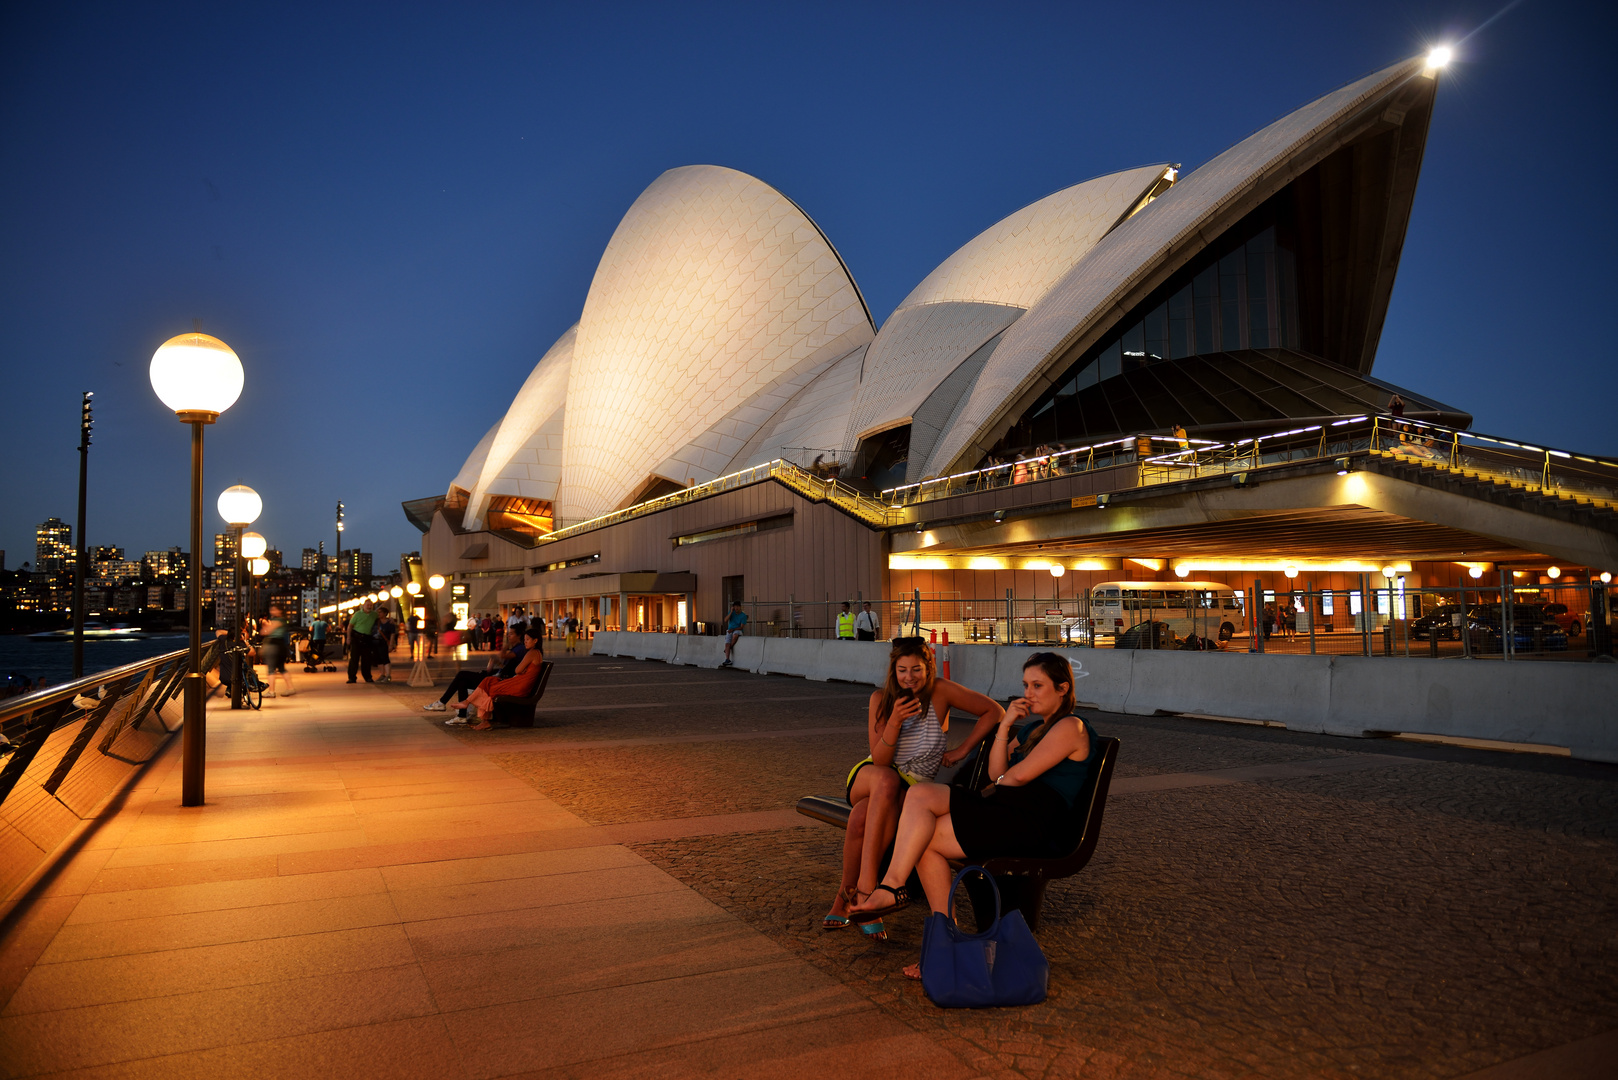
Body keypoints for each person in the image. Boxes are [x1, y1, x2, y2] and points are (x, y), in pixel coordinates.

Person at [848, 652, 1097, 979]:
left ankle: (894, 889)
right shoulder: (1034, 728)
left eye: (1038, 685)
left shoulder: (1071, 726)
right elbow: (997, 772)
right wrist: (1006, 724)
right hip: (1010, 809)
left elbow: (1016, 777)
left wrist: (1001, 783)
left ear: (1062, 688)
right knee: (923, 821)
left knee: (924, 812)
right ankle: (939, 937)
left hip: (1035, 820)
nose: (1029, 693)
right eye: (1026, 685)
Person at [824, 640, 1003, 939]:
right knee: (886, 780)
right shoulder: (880, 698)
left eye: (916, 670)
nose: (909, 677)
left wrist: (962, 751)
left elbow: (993, 711)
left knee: (859, 818)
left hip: (913, 790)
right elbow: (880, 760)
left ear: (929, 667)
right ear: (893, 670)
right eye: (902, 670)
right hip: (872, 776)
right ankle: (868, 889)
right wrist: (894, 720)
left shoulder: (942, 691)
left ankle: (844, 898)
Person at [425, 629, 531, 720]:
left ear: (519, 636)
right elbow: (505, 668)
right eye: (508, 633)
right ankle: (460, 716)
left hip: (498, 682)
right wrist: (496, 663)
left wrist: (506, 646)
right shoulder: (516, 649)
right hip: (497, 678)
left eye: (511, 634)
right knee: (462, 682)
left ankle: (442, 703)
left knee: (462, 674)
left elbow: (505, 660)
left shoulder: (520, 649)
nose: (508, 636)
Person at [459, 627, 546, 730]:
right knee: (489, 680)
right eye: (524, 640)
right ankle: (468, 702)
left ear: (535, 640)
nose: (525, 642)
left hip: (520, 686)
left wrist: (522, 669)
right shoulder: (537, 653)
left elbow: (517, 670)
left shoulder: (532, 653)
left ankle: (483, 719)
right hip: (519, 683)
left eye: (527, 640)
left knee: (491, 688)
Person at [261, 605, 296, 698]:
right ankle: (290, 688)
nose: (272, 611)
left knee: (271, 669)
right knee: (281, 668)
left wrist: (265, 626)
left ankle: (271, 691)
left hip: (274, 646)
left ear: (279, 611)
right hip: (280, 646)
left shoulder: (278, 621)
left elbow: (266, 632)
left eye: (274, 609)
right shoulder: (282, 621)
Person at [347, 600, 379, 683]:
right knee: (354, 658)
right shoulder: (357, 614)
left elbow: (381, 619)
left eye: (370, 605)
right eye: (367, 605)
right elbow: (350, 626)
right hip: (357, 637)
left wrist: (390, 620)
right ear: (363, 605)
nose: (369, 607)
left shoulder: (374, 614)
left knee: (367, 659)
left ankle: (368, 677)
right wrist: (348, 638)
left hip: (367, 638)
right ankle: (352, 677)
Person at [721, 601, 747, 667]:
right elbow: (725, 620)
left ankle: (729, 647)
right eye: (735, 606)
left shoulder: (743, 616)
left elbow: (741, 627)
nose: (736, 608)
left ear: (740, 607)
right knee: (727, 642)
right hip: (730, 629)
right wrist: (731, 612)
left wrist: (733, 629)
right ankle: (727, 659)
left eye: (738, 606)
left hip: (738, 629)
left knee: (735, 635)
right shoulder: (731, 613)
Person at [375, 607, 398, 683]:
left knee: (385, 658)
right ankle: (382, 674)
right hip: (376, 642)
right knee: (378, 659)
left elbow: (392, 634)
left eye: (380, 612)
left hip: (384, 642)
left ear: (385, 613)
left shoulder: (390, 623)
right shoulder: (376, 621)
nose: (379, 614)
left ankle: (388, 675)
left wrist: (391, 644)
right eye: (378, 612)